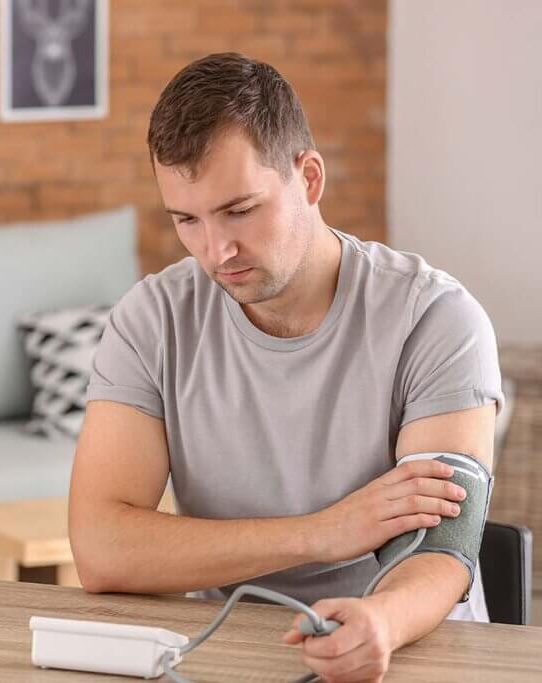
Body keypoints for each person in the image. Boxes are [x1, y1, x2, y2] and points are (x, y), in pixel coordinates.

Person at [68, 52, 504, 682]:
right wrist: (324, 533)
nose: (216, 251)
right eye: (187, 220)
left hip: (411, 652)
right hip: (224, 653)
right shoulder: (152, 319)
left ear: (310, 178)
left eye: (240, 210)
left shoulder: (437, 319)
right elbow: (102, 550)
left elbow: (440, 551)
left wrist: (379, 620)